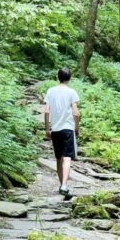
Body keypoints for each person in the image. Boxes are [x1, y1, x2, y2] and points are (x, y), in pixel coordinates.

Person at [43, 67, 81, 199]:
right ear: (70, 78)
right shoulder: (72, 92)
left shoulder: (50, 91)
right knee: (67, 157)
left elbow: (47, 111)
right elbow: (76, 113)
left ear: (57, 77)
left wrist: (47, 129)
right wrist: (77, 128)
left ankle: (62, 185)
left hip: (56, 129)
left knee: (59, 158)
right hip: (67, 128)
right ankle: (64, 185)